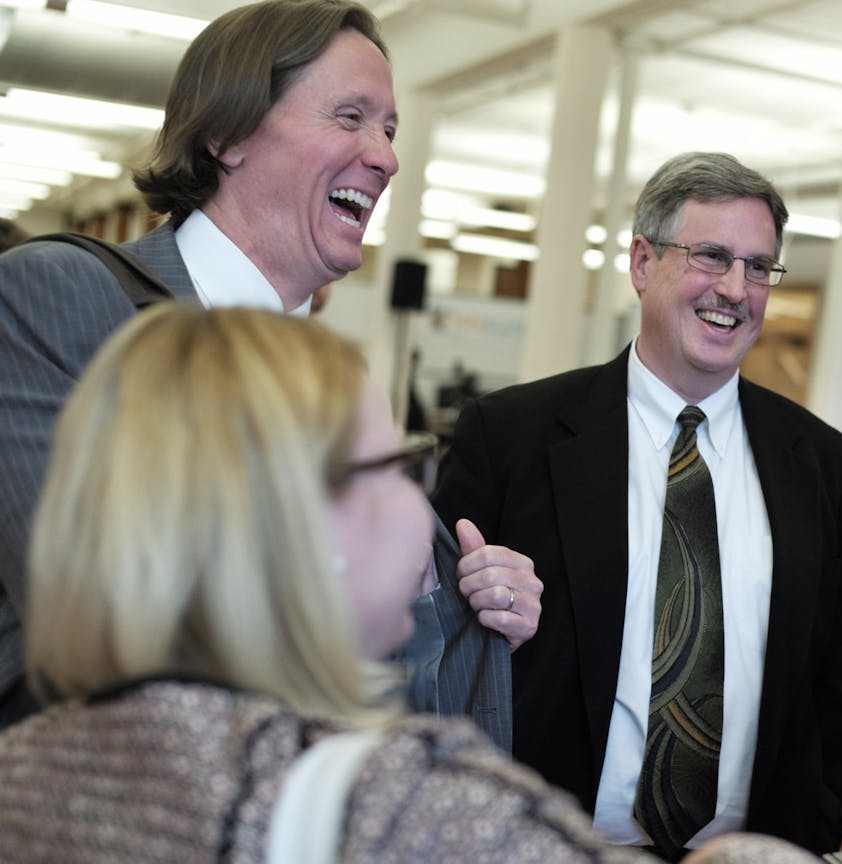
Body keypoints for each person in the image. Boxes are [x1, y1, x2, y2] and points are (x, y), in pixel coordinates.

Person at [0, 304, 824, 864]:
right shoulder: (418, 813)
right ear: (302, 519)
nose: (424, 498)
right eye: (397, 465)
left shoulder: (26, 767)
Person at [0, 0, 539, 729]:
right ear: (226, 134)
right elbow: (84, 611)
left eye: (387, 129)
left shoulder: (343, 387)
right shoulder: (60, 295)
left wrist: (475, 604)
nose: (385, 156)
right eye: (350, 117)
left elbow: (416, 679)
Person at [430, 151, 842, 858]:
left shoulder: (822, 462)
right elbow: (429, 654)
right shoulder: (510, 439)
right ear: (641, 262)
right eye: (712, 256)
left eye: (759, 267)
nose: (736, 288)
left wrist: (809, 836)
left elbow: (835, 689)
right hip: (549, 845)